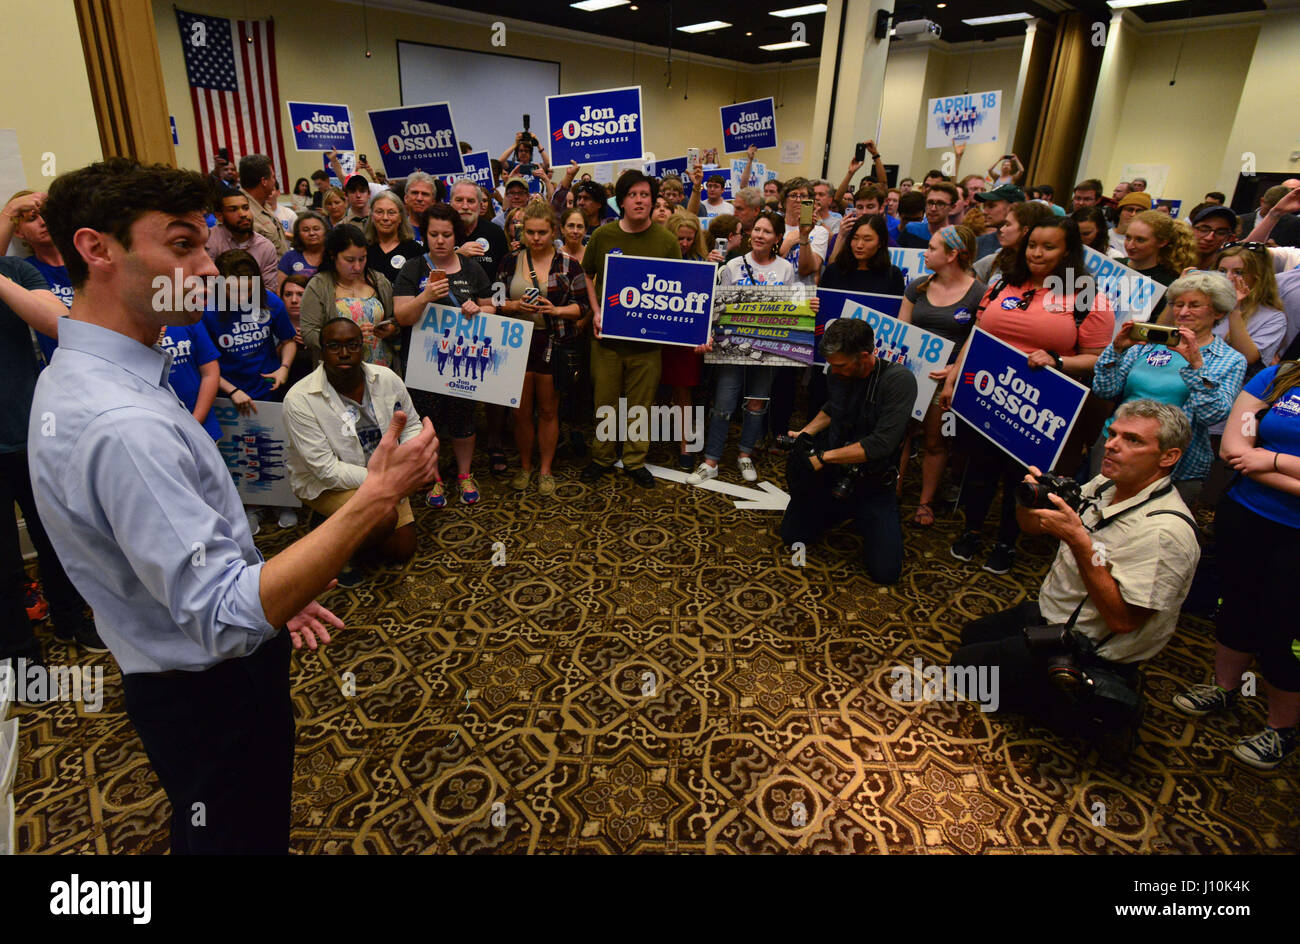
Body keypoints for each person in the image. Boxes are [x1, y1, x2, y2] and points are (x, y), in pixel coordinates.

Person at [29, 157, 438, 853]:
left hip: (184, 672)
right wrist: (375, 499)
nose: (212, 270)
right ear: (96, 249)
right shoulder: (121, 423)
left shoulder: (100, 371)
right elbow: (223, 615)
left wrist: (269, 585)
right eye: (183, 245)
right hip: (210, 690)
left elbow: (189, 561)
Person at [949, 401, 1200, 722]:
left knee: (963, 669)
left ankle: (1075, 709)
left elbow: (1123, 621)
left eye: (1132, 440)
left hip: (1086, 647)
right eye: (1113, 434)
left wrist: (1080, 541)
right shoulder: (1106, 484)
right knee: (971, 635)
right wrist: (1028, 499)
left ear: (1168, 457)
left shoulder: (1165, 532)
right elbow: (1032, 527)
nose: (1111, 445)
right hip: (1051, 614)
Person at [941, 217, 1113, 575]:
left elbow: (1100, 358)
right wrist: (953, 375)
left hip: (1038, 407)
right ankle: (972, 530)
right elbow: (976, 333)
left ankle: (1007, 542)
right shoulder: (1004, 282)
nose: (1037, 253)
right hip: (985, 393)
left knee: (1023, 478)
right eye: (1033, 244)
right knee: (978, 469)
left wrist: (1058, 360)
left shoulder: (1084, 295)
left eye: (1049, 247)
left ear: (1068, 252)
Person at [1172, 361, 1300, 769]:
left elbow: (1253, 456)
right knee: (1236, 603)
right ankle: (1225, 688)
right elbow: (1232, 449)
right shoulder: (1283, 375)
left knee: (1284, 627)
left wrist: (1271, 461)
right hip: (1245, 514)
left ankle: (1282, 729)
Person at [0, 256, 103, 666]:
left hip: (32, 435)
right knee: (4, 560)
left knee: (59, 539)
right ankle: (19, 652)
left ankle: (70, 618)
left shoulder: (15, 271)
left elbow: (58, 323)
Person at [284, 318, 421, 583]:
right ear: (321, 351)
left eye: (352, 345)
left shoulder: (386, 378)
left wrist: (411, 461)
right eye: (334, 346)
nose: (344, 353)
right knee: (382, 518)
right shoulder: (299, 399)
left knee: (403, 549)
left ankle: (336, 525)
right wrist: (387, 483)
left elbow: (412, 424)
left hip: (383, 476)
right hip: (328, 485)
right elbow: (326, 470)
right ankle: (338, 545)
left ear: (364, 348)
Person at [779, 318, 916, 583]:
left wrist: (823, 457)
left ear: (864, 356)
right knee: (792, 535)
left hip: (873, 484)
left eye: (840, 364)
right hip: (834, 474)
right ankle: (839, 511)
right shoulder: (837, 372)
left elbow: (881, 444)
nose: (834, 369)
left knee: (886, 574)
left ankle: (862, 516)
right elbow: (834, 408)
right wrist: (805, 433)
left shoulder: (899, 381)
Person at [1093, 272, 1246, 503]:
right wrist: (1116, 350)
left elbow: (1211, 415)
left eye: (1194, 305)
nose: (1183, 312)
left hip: (1174, 463)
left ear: (1218, 311)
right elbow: (1104, 390)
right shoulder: (1147, 344)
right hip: (1115, 444)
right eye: (1178, 304)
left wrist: (1196, 366)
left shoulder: (1230, 359)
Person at [581, 170, 683, 487]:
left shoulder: (666, 240)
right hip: (607, 339)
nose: (640, 200)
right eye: (633, 195)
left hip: (648, 343)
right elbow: (587, 274)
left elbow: (677, 287)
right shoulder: (603, 236)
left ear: (653, 201)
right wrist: (596, 311)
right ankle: (602, 456)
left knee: (641, 405)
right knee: (605, 402)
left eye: (645, 195)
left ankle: (635, 460)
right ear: (621, 201)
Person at [393, 202, 497, 506]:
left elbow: (491, 307)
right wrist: (425, 296)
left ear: (456, 236)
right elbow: (402, 316)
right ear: (424, 235)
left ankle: (465, 475)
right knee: (429, 423)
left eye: (447, 235)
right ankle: (434, 478)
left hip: (463, 362)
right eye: (434, 234)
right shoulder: (412, 269)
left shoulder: (472, 268)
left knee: (464, 419)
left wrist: (479, 309)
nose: (440, 240)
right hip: (425, 364)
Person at [689, 210, 794, 486]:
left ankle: (745, 454)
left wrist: (809, 306)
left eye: (767, 231)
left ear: (777, 238)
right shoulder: (733, 265)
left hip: (767, 347)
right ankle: (711, 460)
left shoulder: (785, 268)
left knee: (757, 403)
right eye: (757, 229)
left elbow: (791, 308)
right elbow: (717, 306)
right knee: (723, 403)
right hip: (732, 347)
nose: (759, 235)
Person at [495, 201, 588, 495]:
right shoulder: (510, 261)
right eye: (530, 233)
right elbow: (494, 302)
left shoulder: (568, 264)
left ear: (553, 232)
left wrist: (556, 311)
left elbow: (582, 307)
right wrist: (512, 305)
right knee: (520, 412)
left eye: (542, 233)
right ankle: (525, 465)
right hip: (516, 341)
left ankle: (545, 468)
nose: (535, 238)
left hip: (552, 341)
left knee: (549, 410)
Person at [899, 225, 985, 526]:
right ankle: (890, 491)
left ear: (952, 255)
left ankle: (925, 502)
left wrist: (954, 370)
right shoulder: (918, 286)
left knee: (936, 442)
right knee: (900, 434)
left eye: (933, 248)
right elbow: (902, 330)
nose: (925, 252)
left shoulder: (978, 293)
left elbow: (979, 340)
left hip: (946, 380)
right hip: (910, 375)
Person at [299, 223, 399, 375]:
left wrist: (391, 329)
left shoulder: (378, 280)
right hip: (338, 371)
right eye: (350, 260)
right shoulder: (319, 285)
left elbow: (396, 319)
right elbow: (309, 333)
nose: (357, 267)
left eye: (362, 259)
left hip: (381, 368)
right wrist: (346, 338)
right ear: (333, 255)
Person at [0, 190, 69, 361]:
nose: (43, 222)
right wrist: (11, 210)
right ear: (18, 232)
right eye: (32, 219)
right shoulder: (22, 271)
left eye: (46, 215)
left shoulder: (88, 260)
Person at [159, 319, 223, 442]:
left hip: (201, 424)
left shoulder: (187, 319)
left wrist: (195, 423)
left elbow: (210, 373)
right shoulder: (131, 328)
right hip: (160, 432)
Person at [206, 189, 281, 291]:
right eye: (233, 210)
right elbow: (206, 285)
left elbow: (268, 290)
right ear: (219, 216)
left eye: (246, 208)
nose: (243, 214)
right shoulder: (209, 240)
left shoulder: (265, 247)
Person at [820, 213, 905, 295]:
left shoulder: (893, 275)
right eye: (855, 238)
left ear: (880, 242)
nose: (859, 245)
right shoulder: (833, 271)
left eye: (867, 239)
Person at [973, 200, 1054, 284]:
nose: (1002, 229)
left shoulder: (1043, 269)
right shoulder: (995, 260)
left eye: (1008, 225)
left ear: (1025, 230)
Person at [448, 178, 508, 282]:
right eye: (459, 200)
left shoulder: (495, 233)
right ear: (450, 203)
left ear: (480, 205)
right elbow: (429, 273)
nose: (465, 206)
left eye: (471, 201)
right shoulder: (439, 233)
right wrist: (458, 256)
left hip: (489, 297)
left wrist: (499, 298)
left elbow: (504, 276)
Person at [1122, 209, 1195, 291]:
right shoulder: (1113, 264)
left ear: (1162, 242)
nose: (1130, 246)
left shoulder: (1169, 283)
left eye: (1140, 240)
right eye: (1128, 237)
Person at [365, 191, 424, 288]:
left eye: (391, 213)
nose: (385, 218)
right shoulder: (363, 249)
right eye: (379, 212)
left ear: (401, 218)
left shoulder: (415, 251)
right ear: (371, 216)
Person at [237, 154, 288, 256]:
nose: (274, 181)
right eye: (273, 177)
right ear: (264, 181)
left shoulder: (263, 203)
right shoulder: (242, 211)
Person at [279, 273, 315, 388]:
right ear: (281, 298)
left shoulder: (320, 327)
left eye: (300, 294)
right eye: (288, 294)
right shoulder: (271, 327)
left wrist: (312, 340)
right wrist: (285, 343)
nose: (294, 300)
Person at [1238, 184, 1300, 249]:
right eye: (1269, 208)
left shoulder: (1295, 223)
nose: (1271, 212)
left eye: (1279, 210)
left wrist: (1277, 248)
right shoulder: (1240, 219)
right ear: (1262, 201)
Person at [901, 182, 959, 249]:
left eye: (940, 204)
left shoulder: (956, 238)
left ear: (952, 207)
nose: (933, 208)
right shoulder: (911, 229)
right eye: (930, 202)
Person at [278, 211, 327, 281]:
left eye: (316, 229)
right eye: (305, 230)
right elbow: (280, 289)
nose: (311, 233)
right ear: (298, 234)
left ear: (325, 231)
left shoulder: (333, 256)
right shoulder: (289, 257)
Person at [1188, 204, 1239, 269]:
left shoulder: (1228, 269)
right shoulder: (1173, 261)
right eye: (1204, 230)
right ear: (1191, 229)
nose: (1209, 238)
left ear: (1228, 237)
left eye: (1220, 233)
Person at [1108, 191, 1152, 255]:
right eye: (1129, 209)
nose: (1133, 214)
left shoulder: (1143, 246)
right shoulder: (1104, 235)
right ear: (1120, 212)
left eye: (1139, 211)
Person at [403, 172, 436, 243]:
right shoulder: (397, 228)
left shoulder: (442, 229)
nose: (419, 198)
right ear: (406, 198)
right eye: (414, 193)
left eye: (425, 194)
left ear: (433, 201)